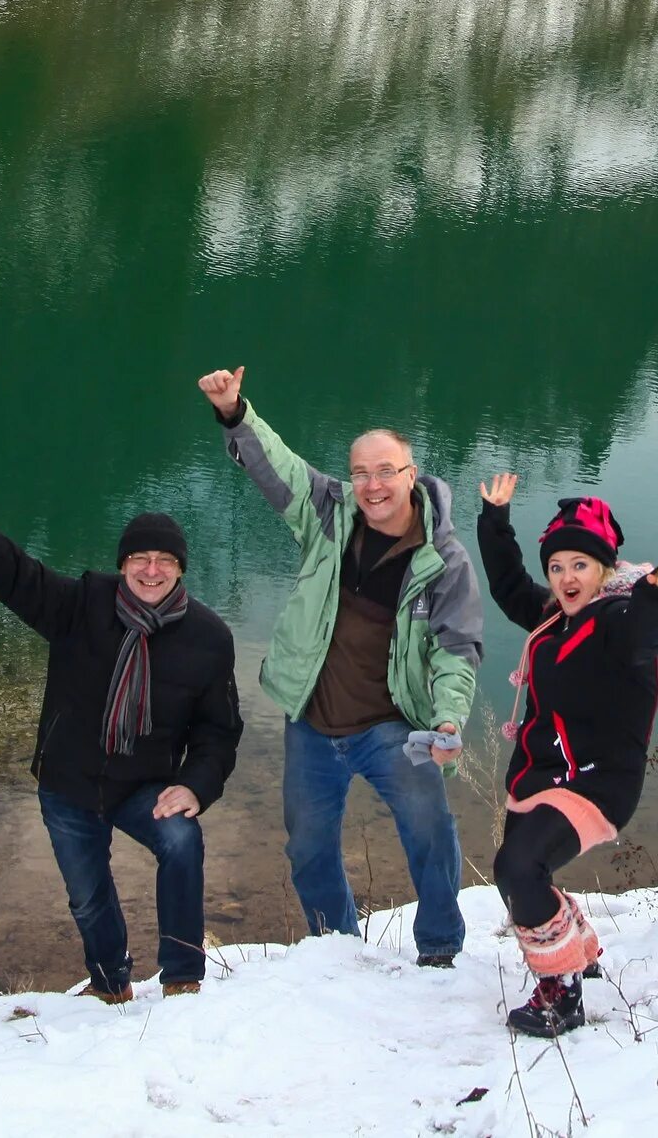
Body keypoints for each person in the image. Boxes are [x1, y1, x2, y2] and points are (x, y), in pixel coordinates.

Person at [196, 365, 485, 967]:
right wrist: (234, 410)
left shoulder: (444, 560)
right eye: (360, 473)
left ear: (412, 475)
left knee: (430, 833)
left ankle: (438, 950)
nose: (372, 485)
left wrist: (450, 719)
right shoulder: (328, 515)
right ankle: (336, 953)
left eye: (386, 472)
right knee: (307, 848)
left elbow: (457, 649)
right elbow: (276, 465)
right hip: (313, 723)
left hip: (392, 728)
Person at [0, 481, 241, 1002]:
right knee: (88, 897)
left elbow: (219, 731)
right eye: (139, 558)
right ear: (123, 564)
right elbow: (16, 576)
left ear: (181, 568)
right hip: (70, 782)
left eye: (164, 560)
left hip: (145, 784)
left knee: (182, 842)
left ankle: (183, 975)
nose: (151, 570)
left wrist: (195, 786)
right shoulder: (82, 604)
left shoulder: (208, 638)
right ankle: (110, 984)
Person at [476, 473, 658, 1037]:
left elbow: (640, 636)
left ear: (604, 568)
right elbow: (507, 587)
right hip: (541, 774)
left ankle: (563, 990)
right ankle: (581, 946)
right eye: (557, 566)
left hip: (597, 783)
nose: (567, 577)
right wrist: (495, 521)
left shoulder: (616, 620)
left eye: (580, 565)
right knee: (520, 874)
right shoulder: (555, 615)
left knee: (517, 867)